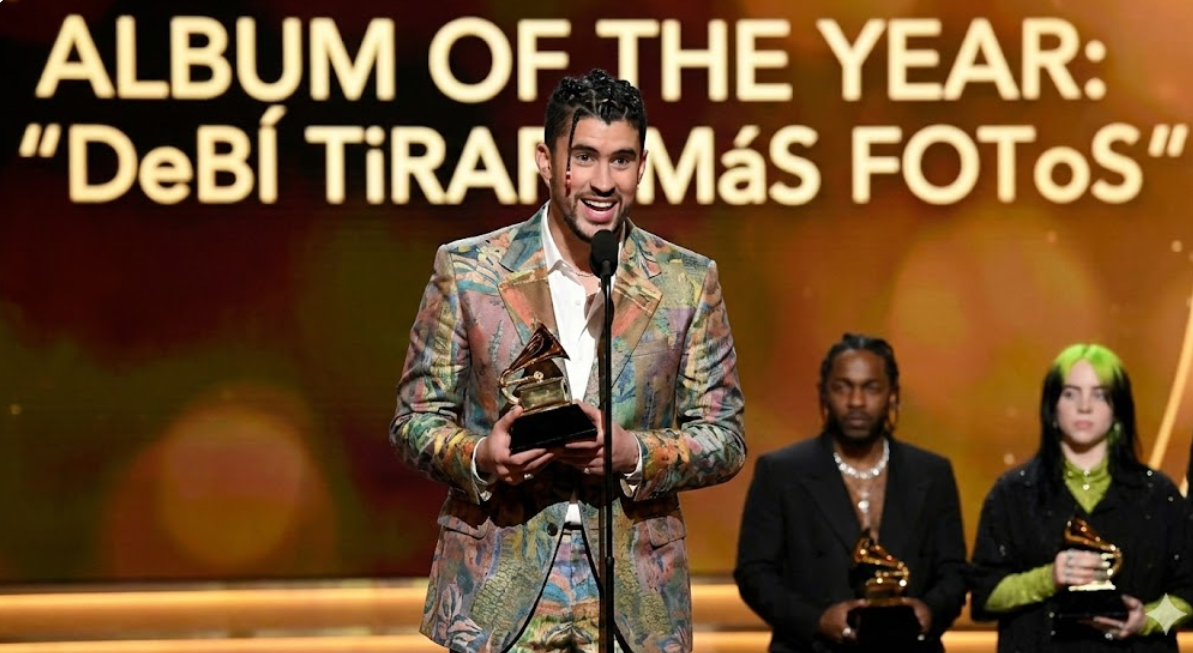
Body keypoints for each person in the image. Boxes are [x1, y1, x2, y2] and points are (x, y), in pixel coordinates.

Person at [389, 68, 746, 653]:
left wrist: (635, 453)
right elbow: (413, 421)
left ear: (642, 166)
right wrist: (482, 456)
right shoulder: (470, 270)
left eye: (621, 160)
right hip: (497, 586)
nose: (603, 182)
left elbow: (724, 436)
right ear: (546, 161)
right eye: (584, 157)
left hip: (635, 594)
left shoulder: (686, 281)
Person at [734, 333, 967, 653]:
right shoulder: (781, 473)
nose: (856, 401)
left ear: (893, 395)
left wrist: (928, 613)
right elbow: (755, 574)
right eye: (843, 387)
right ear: (823, 393)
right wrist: (817, 620)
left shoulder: (932, 473)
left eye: (871, 388)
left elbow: (954, 572)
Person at [970, 343, 1193, 651]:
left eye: (1100, 395)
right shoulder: (1013, 494)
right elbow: (984, 597)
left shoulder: (1158, 496)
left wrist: (1150, 620)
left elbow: (1189, 597)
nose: (1084, 406)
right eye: (1070, 393)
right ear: (1052, 406)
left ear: (1118, 409)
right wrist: (1049, 578)